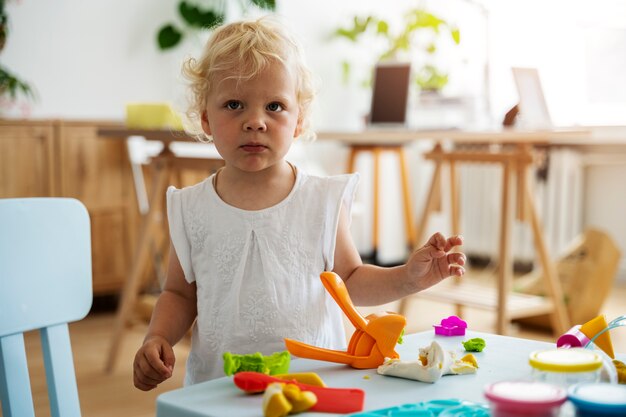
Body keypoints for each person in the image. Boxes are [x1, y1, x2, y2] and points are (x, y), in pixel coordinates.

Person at [133, 16, 465, 391]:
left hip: (315, 386)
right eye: (234, 104)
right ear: (206, 118)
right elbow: (179, 293)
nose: (255, 121)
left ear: (299, 118)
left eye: (274, 106)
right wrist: (156, 337)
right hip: (221, 389)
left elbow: (351, 281)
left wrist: (407, 277)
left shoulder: (320, 200)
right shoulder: (191, 208)